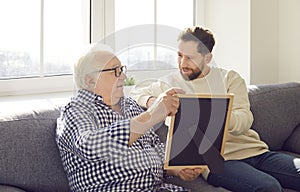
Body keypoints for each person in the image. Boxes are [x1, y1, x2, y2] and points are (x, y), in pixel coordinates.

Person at [130, 26, 300, 192]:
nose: (183, 63)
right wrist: (157, 102)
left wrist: (215, 116)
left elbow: (244, 120)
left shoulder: (229, 78)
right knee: (269, 187)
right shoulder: (169, 83)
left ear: (207, 58)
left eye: (190, 58)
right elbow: (136, 92)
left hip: (256, 151)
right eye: (180, 56)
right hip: (217, 161)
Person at [55, 44, 203, 192]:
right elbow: (90, 146)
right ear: (90, 80)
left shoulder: (130, 106)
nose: (124, 76)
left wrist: (175, 168)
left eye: (122, 69)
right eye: (115, 71)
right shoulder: (75, 110)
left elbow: (153, 148)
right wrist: (152, 114)